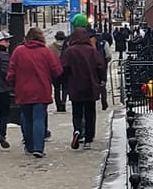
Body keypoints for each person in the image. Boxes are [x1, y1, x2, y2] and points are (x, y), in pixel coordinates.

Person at [8, 27, 60, 158]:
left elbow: (11, 72)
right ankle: (38, 148)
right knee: (39, 119)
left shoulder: (19, 51)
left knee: (26, 118)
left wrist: (13, 83)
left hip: (23, 90)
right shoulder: (46, 52)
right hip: (41, 90)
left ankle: (29, 146)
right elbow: (57, 70)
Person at [61, 15, 107, 148]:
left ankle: (77, 130)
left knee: (77, 111)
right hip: (90, 85)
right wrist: (102, 80)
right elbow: (100, 66)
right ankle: (88, 138)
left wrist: (65, 82)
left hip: (75, 86)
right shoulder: (92, 51)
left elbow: (63, 67)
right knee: (90, 113)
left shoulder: (69, 51)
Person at [51, 29, 69, 112]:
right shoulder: (67, 47)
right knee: (65, 87)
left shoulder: (51, 47)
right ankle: (63, 103)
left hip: (55, 70)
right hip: (65, 69)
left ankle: (58, 105)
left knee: (56, 88)